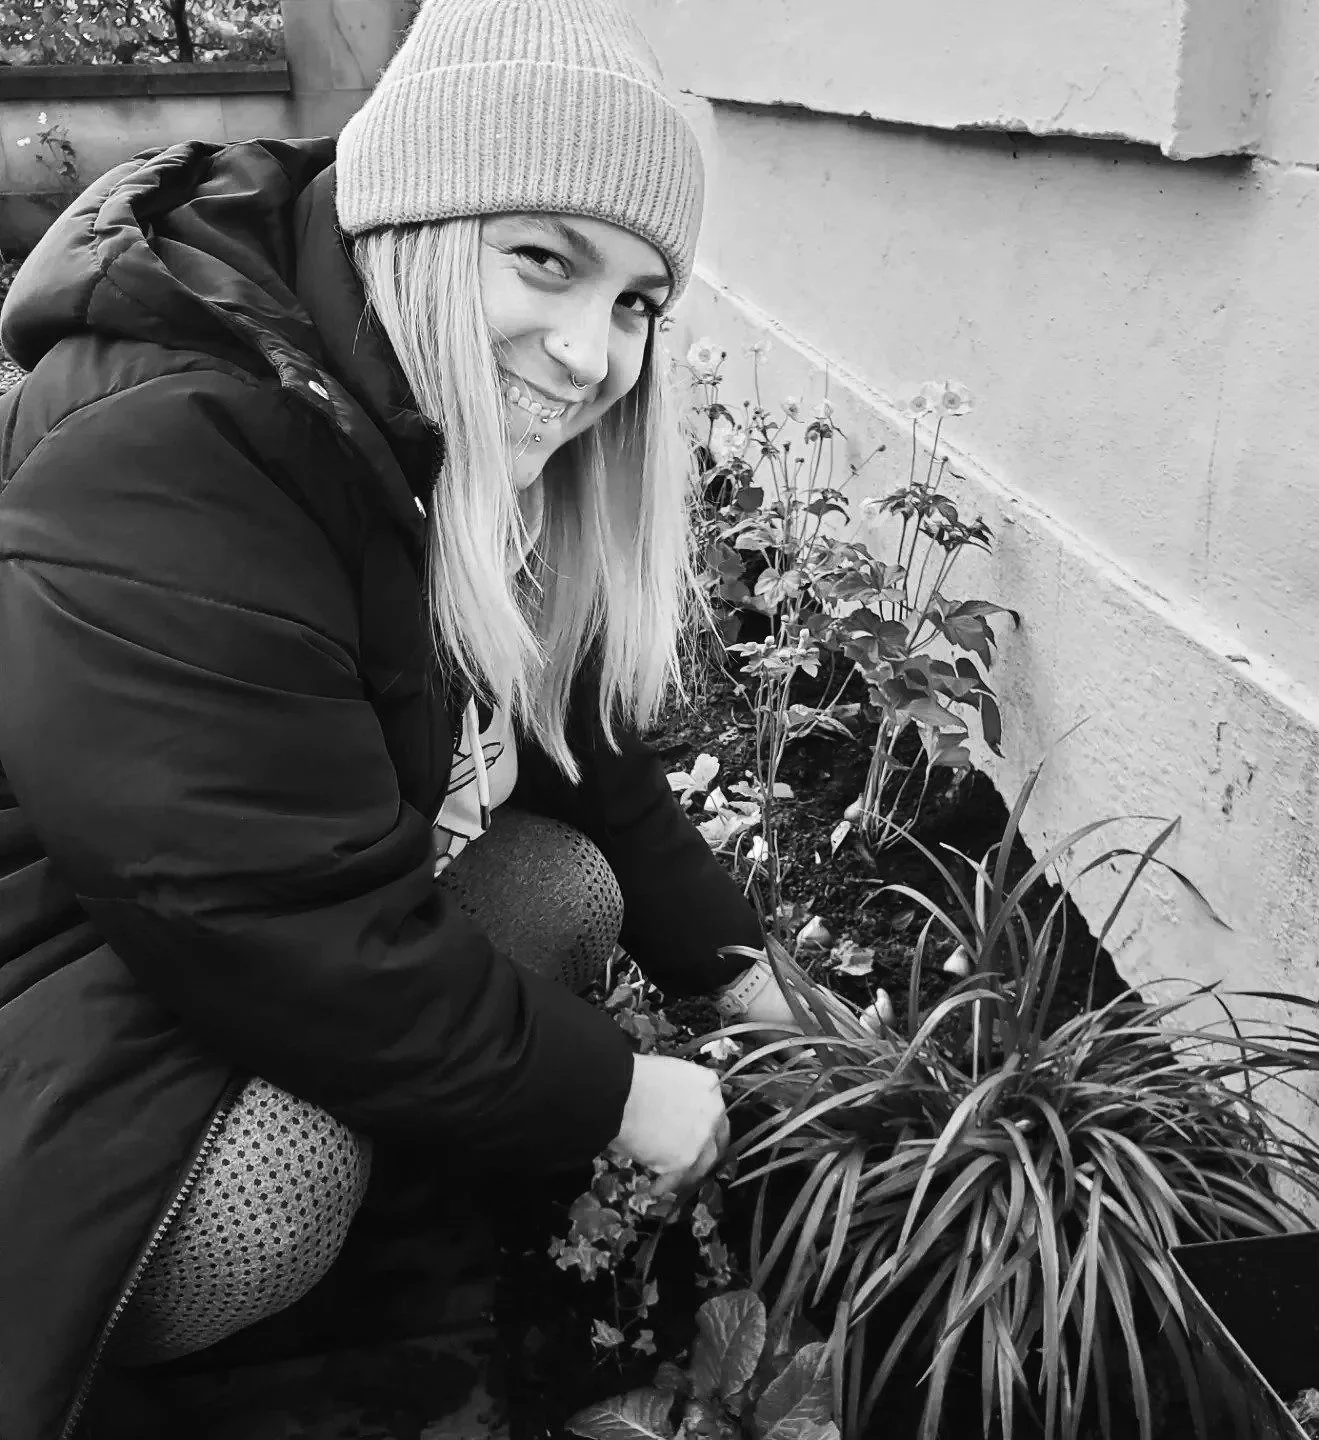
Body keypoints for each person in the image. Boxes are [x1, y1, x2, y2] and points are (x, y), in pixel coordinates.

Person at [0, 2, 820, 1435]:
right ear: (415, 221)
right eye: (543, 260)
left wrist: (763, 991)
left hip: (237, 919)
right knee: (272, 1188)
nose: (588, 354)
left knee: (564, 885)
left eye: (636, 299)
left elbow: (592, 767)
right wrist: (622, 1096)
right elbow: (275, 922)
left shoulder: (449, 423)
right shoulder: (174, 441)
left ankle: (394, 1226)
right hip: (58, 970)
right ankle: (162, 1363)